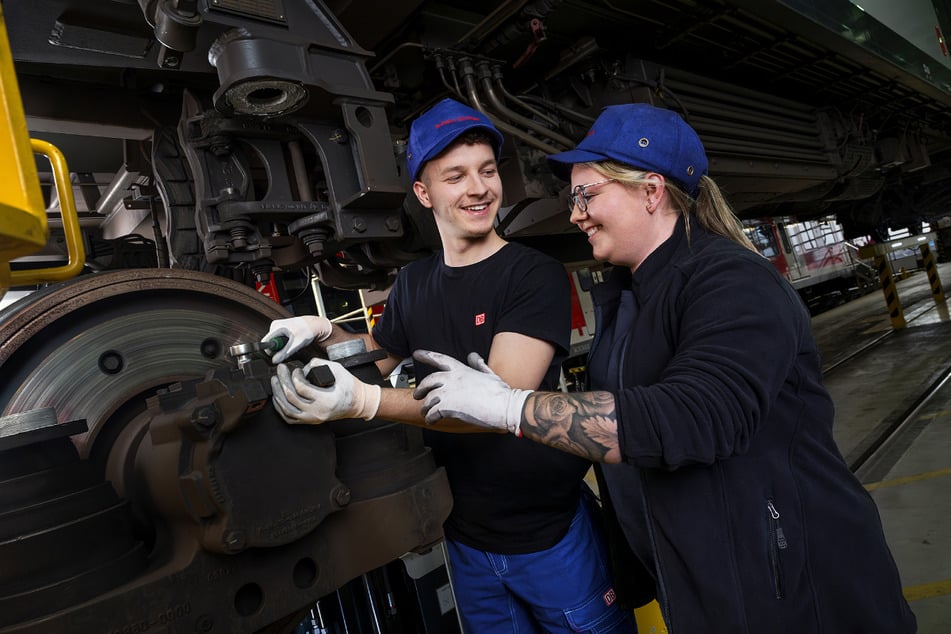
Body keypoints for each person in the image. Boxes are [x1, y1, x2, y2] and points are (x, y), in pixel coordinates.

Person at [412, 103, 918, 633]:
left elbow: (691, 417)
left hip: (796, 592)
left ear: (651, 191)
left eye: (587, 195)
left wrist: (507, 406)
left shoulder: (732, 282)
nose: (575, 213)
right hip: (714, 587)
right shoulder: (633, 296)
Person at [264, 98, 636, 633]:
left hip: (549, 537)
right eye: (456, 176)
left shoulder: (532, 275)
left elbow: (496, 400)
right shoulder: (414, 284)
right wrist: (324, 333)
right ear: (424, 192)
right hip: (464, 540)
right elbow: (375, 356)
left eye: (487, 171)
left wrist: (365, 402)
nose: (478, 188)